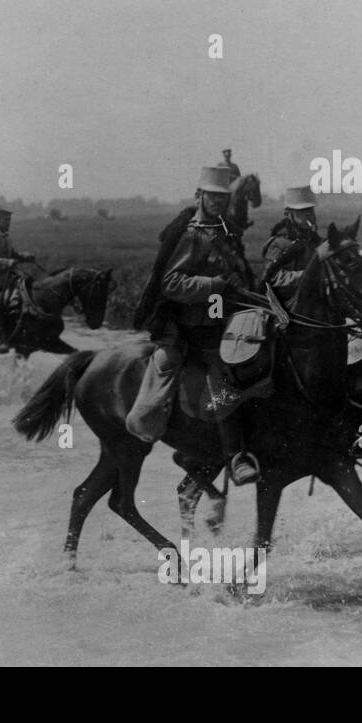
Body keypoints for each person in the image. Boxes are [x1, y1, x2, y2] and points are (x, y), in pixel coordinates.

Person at [125, 166, 260, 484]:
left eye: (223, 197)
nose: (218, 202)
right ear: (200, 195)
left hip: (222, 319)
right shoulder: (192, 234)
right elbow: (171, 282)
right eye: (212, 196)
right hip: (194, 325)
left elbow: (232, 273)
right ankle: (234, 456)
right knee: (225, 374)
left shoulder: (223, 231)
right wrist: (213, 284)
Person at [0, 207, 36, 353]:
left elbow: (12, 254)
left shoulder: (6, 236)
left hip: (11, 277)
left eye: (10, 220)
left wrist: (24, 256)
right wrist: (6, 262)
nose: (9, 223)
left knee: (28, 296)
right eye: (6, 220)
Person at [261, 186, 322, 302]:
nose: (308, 214)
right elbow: (272, 278)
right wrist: (307, 275)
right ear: (288, 214)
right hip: (286, 304)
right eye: (302, 211)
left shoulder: (315, 241)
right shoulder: (279, 244)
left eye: (310, 210)